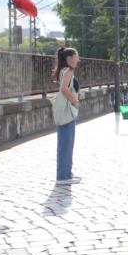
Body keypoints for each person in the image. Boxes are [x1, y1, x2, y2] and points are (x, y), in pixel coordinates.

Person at [53, 47, 80, 184]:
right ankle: (63, 176)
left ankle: (66, 173)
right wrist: (75, 101)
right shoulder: (68, 71)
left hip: (65, 111)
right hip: (67, 111)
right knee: (66, 144)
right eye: (76, 57)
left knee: (66, 143)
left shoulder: (63, 71)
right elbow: (64, 89)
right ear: (69, 59)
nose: (78, 60)